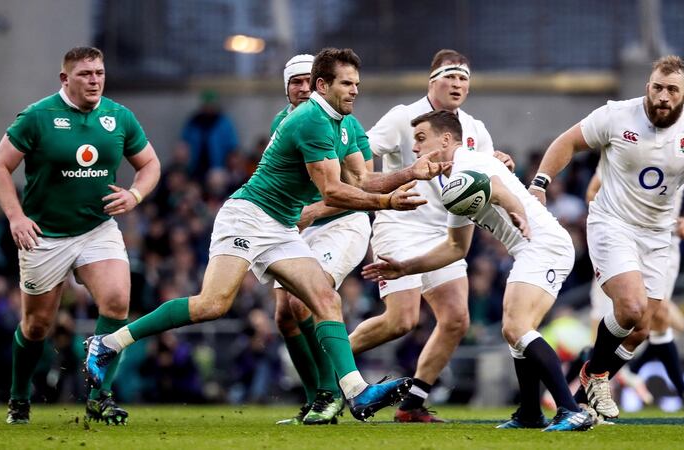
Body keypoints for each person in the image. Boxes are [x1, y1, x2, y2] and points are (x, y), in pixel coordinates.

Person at [84, 48, 451, 422]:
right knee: (213, 304)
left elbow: (361, 179)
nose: (355, 90)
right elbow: (332, 191)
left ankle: (355, 392)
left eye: (356, 83)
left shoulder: (340, 122)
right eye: (346, 83)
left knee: (324, 298)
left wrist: (410, 173)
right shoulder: (311, 120)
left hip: (281, 225)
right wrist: (386, 202)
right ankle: (109, 343)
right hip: (248, 217)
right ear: (323, 86)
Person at [528, 55, 684, 421]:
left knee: (640, 330)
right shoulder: (616, 116)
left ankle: (587, 388)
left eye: (672, 90)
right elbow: (567, 141)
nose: (663, 96)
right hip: (613, 223)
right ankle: (596, 376)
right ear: (647, 87)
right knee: (631, 308)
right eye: (657, 88)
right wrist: (540, 183)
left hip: (658, 236)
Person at [362, 110, 593, 431]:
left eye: (421, 139)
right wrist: (404, 268)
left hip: (544, 245)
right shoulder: (454, 184)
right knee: (516, 330)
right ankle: (530, 413)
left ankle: (571, 410)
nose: (414, 148)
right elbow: (455, 247)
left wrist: (517, 212)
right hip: (531, 248)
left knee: (516, 328)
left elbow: (498, 187)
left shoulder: (469, 162)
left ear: (446, 139)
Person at [0, 46, 161, 425]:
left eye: (99, 73)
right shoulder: (37, 117)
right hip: (44, 235)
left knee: (117, 303)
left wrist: (135, 194)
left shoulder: (119, 116)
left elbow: (150, 163)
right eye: (85, 74)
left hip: (97, 229)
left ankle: (99, 397)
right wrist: (16, 217)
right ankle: (19, 397)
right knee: (37, 326)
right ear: (65, 79)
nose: (95, 80)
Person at [349, 49, 513, 423]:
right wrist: (384, 183)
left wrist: (501, 165)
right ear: (431, 80)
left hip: (445, 231)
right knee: (401, 320)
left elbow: (486, 178)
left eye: (463, 78)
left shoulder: (475, 129)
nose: (457, 84)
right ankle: (329, 369)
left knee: (456, 320)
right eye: (449, 76)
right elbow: (359, 157)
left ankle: (412, 405)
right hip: (400, 225)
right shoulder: (402, 117)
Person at [271, 54, 375, 425]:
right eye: (294, 82)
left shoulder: (347, 122)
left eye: (306, 80)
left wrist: (314, 211)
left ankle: (331, 394)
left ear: (320, 84)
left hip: (343, 224)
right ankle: (315, 399)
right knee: (285, 316)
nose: (301, 88)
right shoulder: (284, 123)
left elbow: (364, 185)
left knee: (306, 301)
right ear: (286, 88)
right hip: (299, 228)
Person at [586, 164, 684, 412]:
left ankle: (586, 391)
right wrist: (609, 220)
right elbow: (592, 191)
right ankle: (582, 390)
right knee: (641, 316)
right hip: (623, 239)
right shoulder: (623, 146)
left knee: (652, 321)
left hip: (665, 245)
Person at [181, 89, 239, 182]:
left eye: (211, 105)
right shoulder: (193, 122)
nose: (209, 108)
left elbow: (233, 146)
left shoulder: (224, 122)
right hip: (195, 166)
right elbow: (184, 143)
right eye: (206, 105)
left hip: (218, 167)